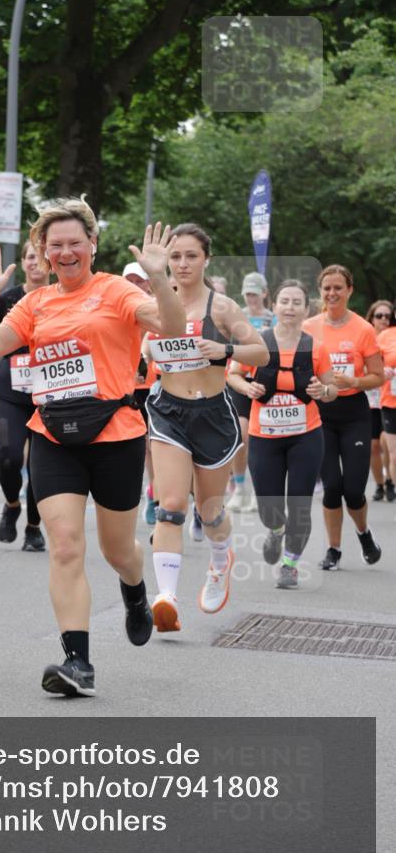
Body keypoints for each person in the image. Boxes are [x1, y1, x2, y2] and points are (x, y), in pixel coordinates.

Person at [0, 199, 185, 697]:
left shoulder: (114, 290)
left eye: (74, 243)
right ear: (43, 252)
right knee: (65, 545)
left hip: (115, 434)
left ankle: (134, 590)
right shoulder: (36, 302)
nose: (65, 253)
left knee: (117, 551)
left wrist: (159, 278)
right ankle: (78, 662)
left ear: (92, 245)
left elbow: (171, 328)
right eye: (55, 246)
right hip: (52, 435)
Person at [145, 224, 268, 634]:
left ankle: (220, 562)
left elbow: (262, 353)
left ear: (206, 260)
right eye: (175, 256)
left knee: (209, 510)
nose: (182, 264)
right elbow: (141, 344)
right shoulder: (155, 302)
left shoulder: (222, 307)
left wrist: (225, 349)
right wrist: (144, 352)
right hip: (168, 411)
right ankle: (166, 598)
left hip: (213, 414)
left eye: (191, 256)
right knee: (171, 505)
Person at [228, 280, 337, 588]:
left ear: (306, 309)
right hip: (265, 438)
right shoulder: (257, 343)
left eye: (296, 302)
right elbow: (233, 375)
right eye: (284, 301)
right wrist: (247, 387)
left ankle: (290, 564)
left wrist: (322, 390)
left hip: (306, 436)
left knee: (300, 505)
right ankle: (276, 530)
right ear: (274, 306)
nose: (290, 307)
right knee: (269, 508)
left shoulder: (316, 347)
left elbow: (332, 389)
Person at [303, 265, 384, 570]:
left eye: (338, 287)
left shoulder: (363, 329)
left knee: (353, 490)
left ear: (349, 290)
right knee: (332, 486)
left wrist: (353, 381)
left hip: (354, 413)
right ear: (320, 291)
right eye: (327, 288)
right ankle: (333, 549)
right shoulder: (309, 327)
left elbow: (378, 376)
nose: (332, 293)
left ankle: (364, 534)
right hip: (321, 413)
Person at [0, 240, 49, 552]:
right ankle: (12, 505)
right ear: (23, 262)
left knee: (40, 466)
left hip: (50, 393)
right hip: (9, 392)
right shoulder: (8, 298)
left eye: (41, 257)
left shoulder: (61, 297)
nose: (35, 262)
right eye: (30, 257)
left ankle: (33, 527)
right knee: (9, 456)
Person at [226, 271, 275, 512]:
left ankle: (258, 490)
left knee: (260, 439)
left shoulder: (274, 318)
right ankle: (239, 488)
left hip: (266, 382)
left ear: (264, 293)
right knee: (241, 435)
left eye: (255, 294)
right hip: (239, 378)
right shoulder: (238, 317)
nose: (251, 299)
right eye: (247, 294)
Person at [122, 263, 158, 526]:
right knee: (144, 446)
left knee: (156, 445)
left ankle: (156, 493)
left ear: (149, 284)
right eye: (130, 281)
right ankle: (154, 494)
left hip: (159, 386)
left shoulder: (158, 308)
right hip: (128, 388)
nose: (135, 286)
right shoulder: (118, 310)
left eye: (140, 281)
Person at [366, 301, 395, 501]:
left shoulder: (392, 339)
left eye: (387, 316)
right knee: (373, 445)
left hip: (388, 399)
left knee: (387, 442)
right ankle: (379, 484)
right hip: (370, 399)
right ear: (372, 318)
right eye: (379, 316)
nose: (384, 319)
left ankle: (390, 480)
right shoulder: (367, 337)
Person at [376, 315, 396, 505]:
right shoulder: (385, 336)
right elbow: (372, 366)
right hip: (391, 402)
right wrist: (383, 370)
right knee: (394, 454)